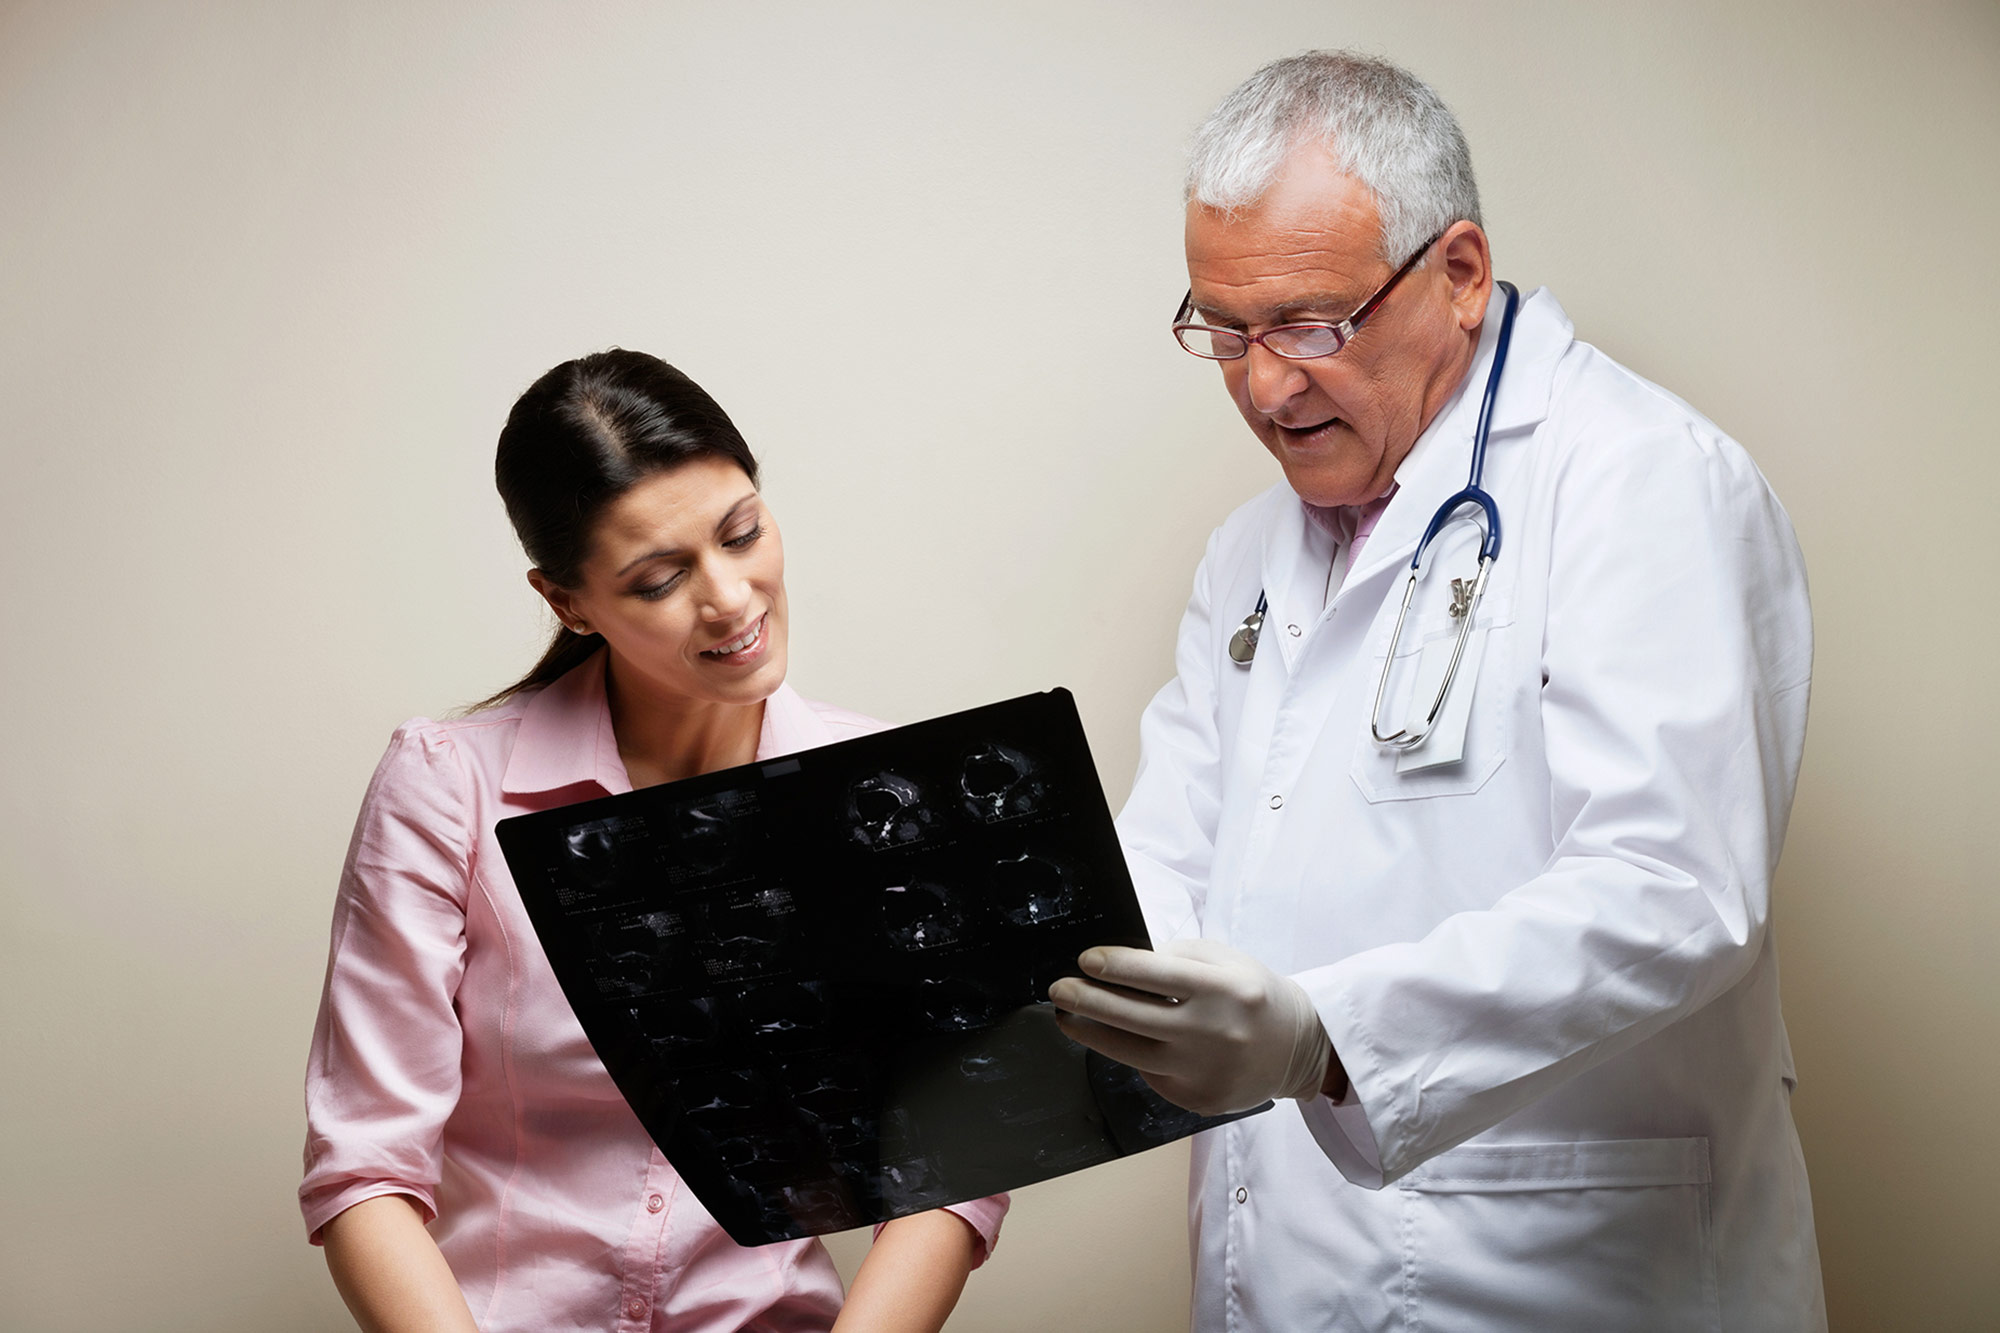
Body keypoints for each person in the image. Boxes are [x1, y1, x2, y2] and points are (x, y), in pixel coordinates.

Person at [1048, 51, 1824, 1330]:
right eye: (1225, 331)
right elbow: (1173, 853)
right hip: (1277, 1265)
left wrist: (1326, 1037)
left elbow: (1672, 888)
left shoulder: (1638, 479)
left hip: (1552, 1277)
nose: (1263, 384)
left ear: (1457, 273)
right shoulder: (1249, 551)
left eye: (1307, 325)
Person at [300, 350, 1005, 1333]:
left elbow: (955, 1160)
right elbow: (367, 1164)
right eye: (660, 579)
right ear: (567, 602)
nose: (730, 598)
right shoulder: (448, 787)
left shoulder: (882, 796)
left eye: (742, 532)